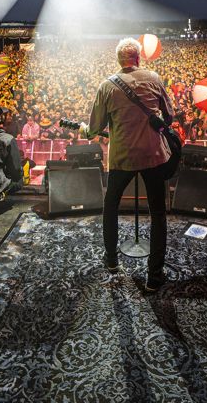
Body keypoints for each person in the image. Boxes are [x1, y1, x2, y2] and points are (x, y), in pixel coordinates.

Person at [81, 37, 174, 293]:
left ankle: (111, 261)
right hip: (153, 154)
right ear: (138, 59)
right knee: (157, 213)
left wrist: (86, 130)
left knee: (110, 206)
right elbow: (170, 115)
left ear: (118, 61)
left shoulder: (107, 86)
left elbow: (95, 128)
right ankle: (154, 276)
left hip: (121, 156)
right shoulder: (154, 78)